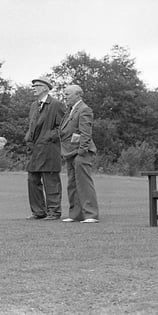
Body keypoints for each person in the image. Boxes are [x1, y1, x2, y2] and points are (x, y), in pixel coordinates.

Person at [24, 77, 66, 221]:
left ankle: (54, 212)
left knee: (51, 180)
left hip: (49, 149)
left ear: (45, 88)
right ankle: (38, 212)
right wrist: (28, 139)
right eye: (33, 85)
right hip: (35, 150)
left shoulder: (56, 105)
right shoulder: (33, 106)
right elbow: (32, 126)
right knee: (32, 179)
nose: (33, 88)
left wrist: (48, 136)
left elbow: (63, 127)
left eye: (37, 85)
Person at [60, 84, 100, 223]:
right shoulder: (70, 110)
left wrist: (82, 151)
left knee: (84, 183)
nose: (65, 96)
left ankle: (90, 215)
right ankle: (75, 214)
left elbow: (85, 133)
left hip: (80, 152)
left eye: (67, 94)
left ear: (78, 94)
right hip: (70, 152)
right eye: (64, 94)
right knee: (72, 183)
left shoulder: (84, 109)